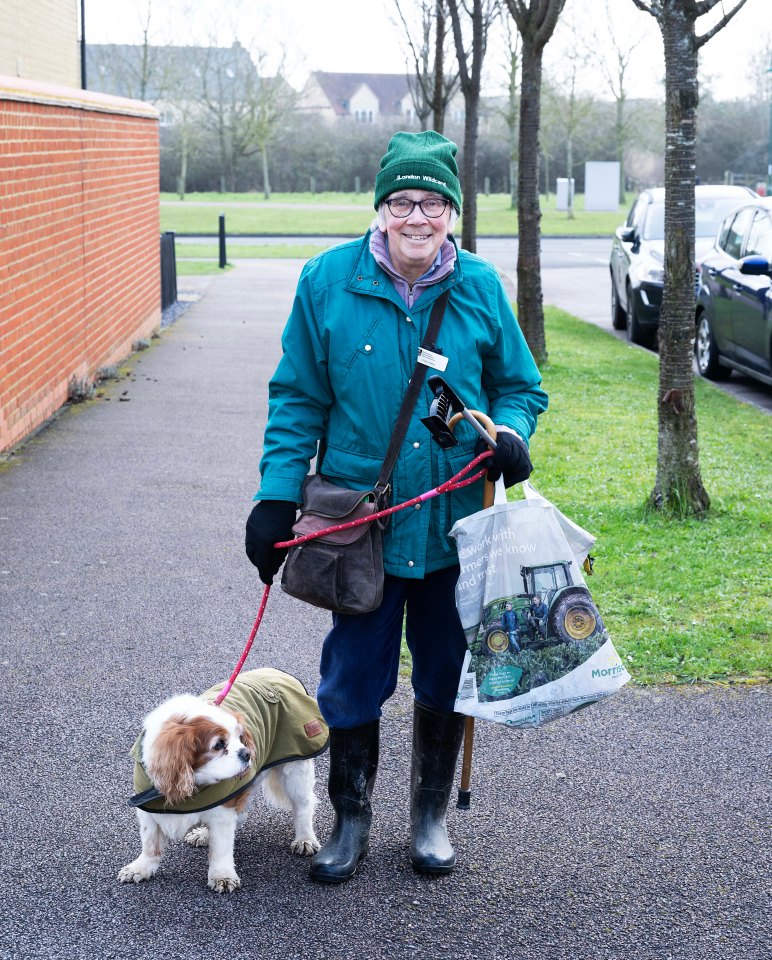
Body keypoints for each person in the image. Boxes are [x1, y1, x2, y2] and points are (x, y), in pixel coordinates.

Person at [245, 131, 548, 884]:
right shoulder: (326, 282)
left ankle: (429, 817)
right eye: (404, 200)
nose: (420, 215)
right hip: (361, 529)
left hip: (457, 523)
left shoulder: (477, 286)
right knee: (351, 679)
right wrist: (276, 496)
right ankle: (350, 819)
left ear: (452, 210)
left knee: (446, 671)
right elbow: (297, 398)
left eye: (435, 201)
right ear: (380, 208)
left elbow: (520, 385)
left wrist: (509, 432)